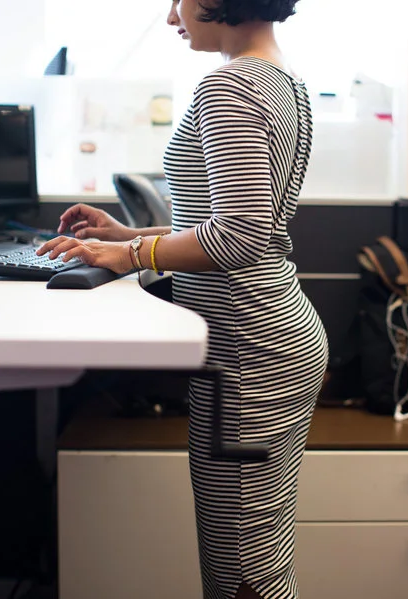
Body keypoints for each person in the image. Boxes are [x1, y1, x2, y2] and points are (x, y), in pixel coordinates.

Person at [37, 1, 326, 598]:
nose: (172, 17)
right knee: (254, 557)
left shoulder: (231, 86)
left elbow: (239, 238)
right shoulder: (281, 79)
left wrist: (133, 258)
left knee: (244, 572)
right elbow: (239, 222)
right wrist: (130, 235)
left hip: (248, 359)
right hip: (267, 344)